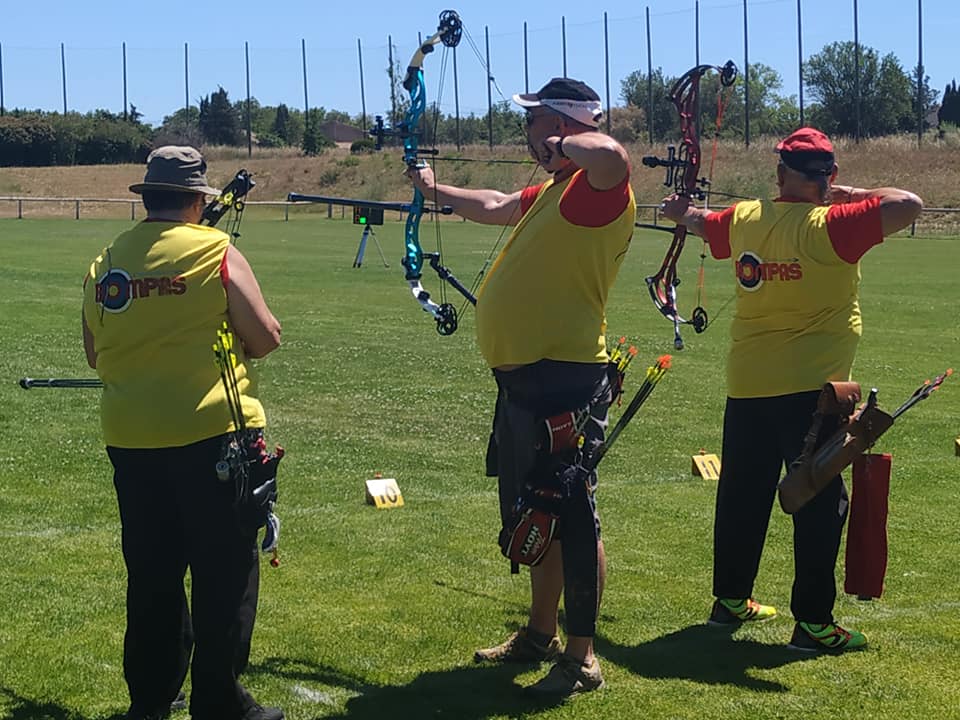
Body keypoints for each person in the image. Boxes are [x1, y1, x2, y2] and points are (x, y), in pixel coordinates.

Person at [407, 78, 635, 695]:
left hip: (566, 376)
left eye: (534, 121)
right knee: (540, 512)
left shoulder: (597, 190)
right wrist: (433, 190)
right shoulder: (556, 192)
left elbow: (615, 158)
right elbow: (493, 203)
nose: (527, 133)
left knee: (574, 513)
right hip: (524, 381)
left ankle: (583, 659)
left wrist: (565, 139)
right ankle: (540, 634)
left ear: (561, 123)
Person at [659, 127, 923, 652]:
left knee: (742, 495)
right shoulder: (833, 224)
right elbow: (908, 203)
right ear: (829, 177)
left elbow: (696, 220)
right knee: (819, 501)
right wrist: (847, 194)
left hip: (749, 385)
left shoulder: (746, 218)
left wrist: (678, 209)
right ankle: (814, 625)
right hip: (814, 392)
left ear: (780, 174)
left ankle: (731, 600)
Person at [81, 146, 284, 720]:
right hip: (213, 435)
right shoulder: (217, 249)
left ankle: (150, 698)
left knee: (152, 573)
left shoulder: (106, 261)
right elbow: (265, 335)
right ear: (198, 200)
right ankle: (218, 701)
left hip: (131, 439)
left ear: (146, 197)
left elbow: (95, 352)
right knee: (224, 574)